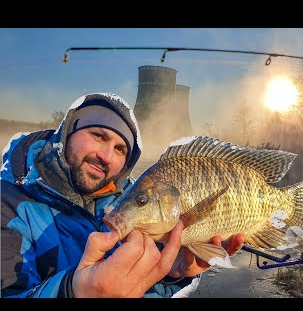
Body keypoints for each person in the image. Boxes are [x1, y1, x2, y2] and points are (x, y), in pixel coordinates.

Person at [1, 92, 245, 298]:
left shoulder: (128, 208)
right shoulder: (8, 205)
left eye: (120, 149)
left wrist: (169, 275)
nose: (106, 156)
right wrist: (71, 291)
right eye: (98, 135)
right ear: (67, 134)